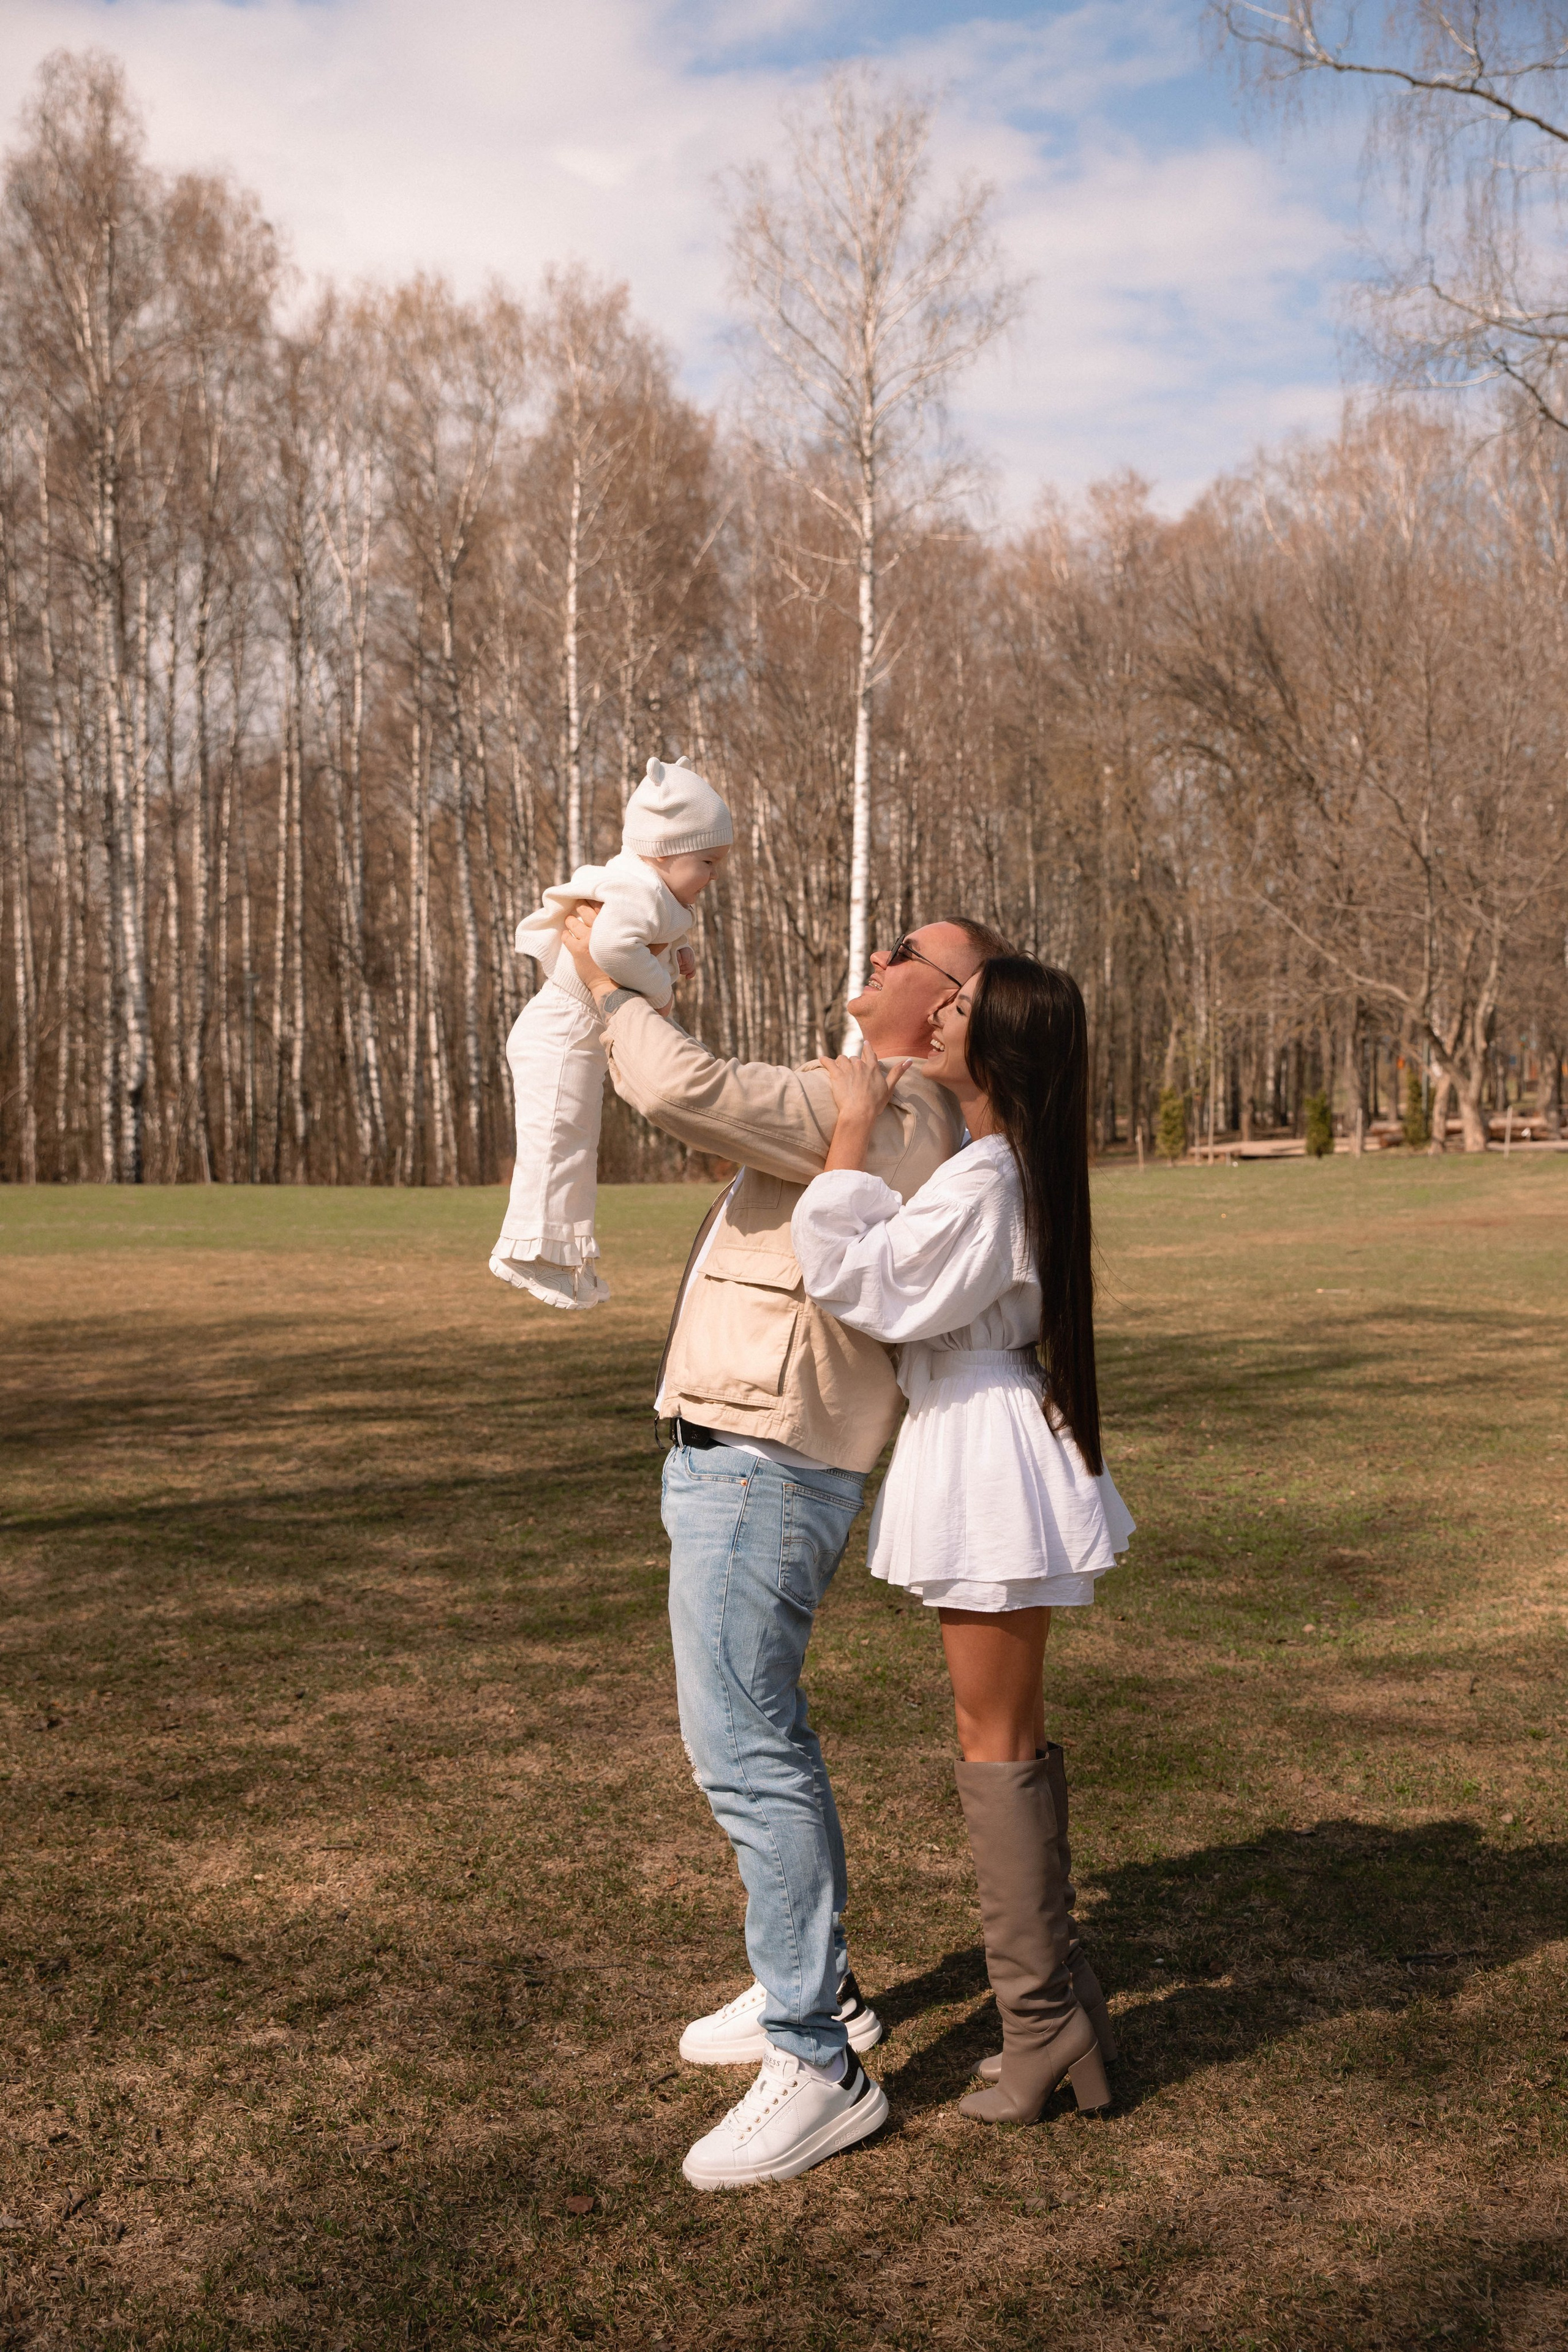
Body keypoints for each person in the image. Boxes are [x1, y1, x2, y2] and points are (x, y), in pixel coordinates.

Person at [560, 908, 1011, 2188]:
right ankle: (815, 1997)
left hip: (764, 1463)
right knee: (742, 1741)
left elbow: (669, 1083)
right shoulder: (867, 1103)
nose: (869, 961)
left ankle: (818, 2061)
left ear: (949, 1006)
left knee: (748, 1749)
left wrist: (602, 972)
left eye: (896, 955)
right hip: (747, 1452)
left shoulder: (896, 1110)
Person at [790, 956, 1134, 2125]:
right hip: (990, 1437)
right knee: (1010, 1737)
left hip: (984, 1451)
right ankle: (1062, 2013)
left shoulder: (990, 1176)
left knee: (994, 1740)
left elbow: (863, 1282)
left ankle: (1040, 2024)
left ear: (1000, 1045)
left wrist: (847, 1134)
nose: (937, 1011)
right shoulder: (996, 1169)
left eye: (960, 1003)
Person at [489, 755, 732, 1309]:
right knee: (556, 1142)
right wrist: (662, 990)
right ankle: (528, 1250)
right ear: (664, 852)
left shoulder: (649, 889)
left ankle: (559, 1253)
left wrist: (679, 951)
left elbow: (646, 934)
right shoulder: (636, 889)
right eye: (708, 862)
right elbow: (613, 947)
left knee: (575, 1143)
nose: (713, 875)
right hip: (558, 1031)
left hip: (574, 1034)